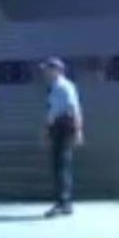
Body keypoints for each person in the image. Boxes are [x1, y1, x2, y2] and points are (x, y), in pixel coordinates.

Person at [41, 58, 83, 218]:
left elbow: (74, 108)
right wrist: (47, 129)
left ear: (57, 70)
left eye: (48, 69)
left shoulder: (64, 87)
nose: (45, 72)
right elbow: (52, 110)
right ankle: (64, 203)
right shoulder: (54, 87)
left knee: (62, 165)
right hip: (57, 127)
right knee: (59, 165)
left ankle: (63, 202)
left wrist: (78, 130)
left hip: (64, 126)